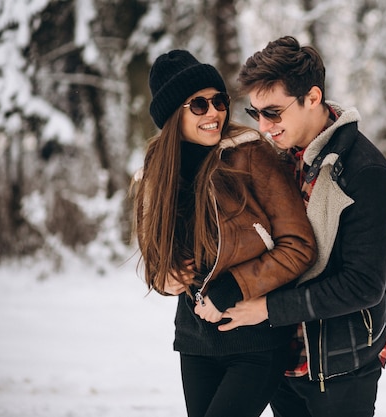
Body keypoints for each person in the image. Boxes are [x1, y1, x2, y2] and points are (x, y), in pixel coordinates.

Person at [131, 49, 317, 417]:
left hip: (256, 339)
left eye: (218, 101)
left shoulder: (249, 155)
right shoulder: (155, 175)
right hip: (196, 341)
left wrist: (231, 289)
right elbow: (156, 261)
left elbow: (298, 245)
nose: (214, 112)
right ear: (173, 114)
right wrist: (166, 277)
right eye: (198, 104)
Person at [219, 36, 386, 417]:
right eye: (256, 114)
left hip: (342, 365)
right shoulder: (275, 160)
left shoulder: (365, 172)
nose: (265, 127)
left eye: (274, 112)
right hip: (281, 359)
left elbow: (364, 285)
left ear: (312, 98)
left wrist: (266, 308)